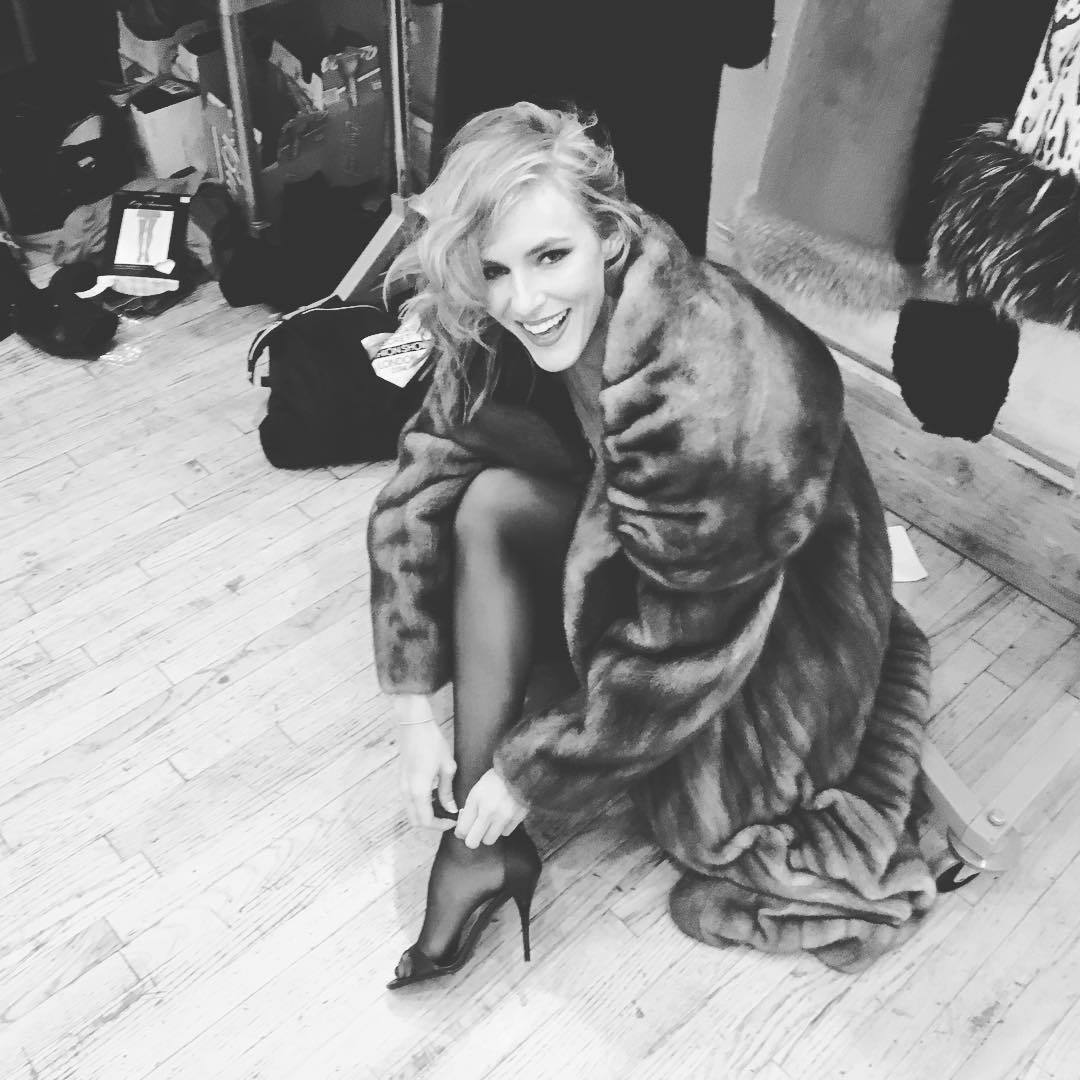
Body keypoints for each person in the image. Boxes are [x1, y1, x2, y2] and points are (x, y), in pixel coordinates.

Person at [368, 102, 937, 988]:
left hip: (775, 616)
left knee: (711, 808)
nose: (525, 301)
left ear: (609, 232)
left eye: (550, 257)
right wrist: (410, 708)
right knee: (485, 504)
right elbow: (421, 479)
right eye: (494, 270)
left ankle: (486, 837)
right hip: (645, 547)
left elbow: (692, 644)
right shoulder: (495, 321)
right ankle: (478, 854)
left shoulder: (707, 378)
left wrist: (532, 773)